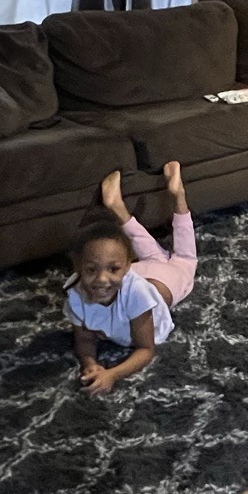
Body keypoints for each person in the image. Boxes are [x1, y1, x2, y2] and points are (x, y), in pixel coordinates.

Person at [65, 161, 196, 395]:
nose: (102, 280)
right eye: (92, 270)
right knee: (160, 254)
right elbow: (84, 341)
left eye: (113, 270)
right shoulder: (76, 294)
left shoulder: (137, 293)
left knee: (186, 259)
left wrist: (112, 374)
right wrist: (90, 363)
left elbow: (146, 349)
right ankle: (121, 207)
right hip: (147, 272)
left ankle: (177, 195)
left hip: (165, 280)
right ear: (77, 268)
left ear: (127, 268)